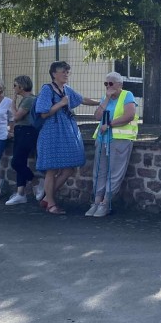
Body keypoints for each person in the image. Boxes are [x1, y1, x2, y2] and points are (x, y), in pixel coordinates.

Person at [35, 61, 101, 214]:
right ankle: (51, 204)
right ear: (54, 74)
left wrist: (103, 102)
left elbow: (83, 99)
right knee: (51, 169)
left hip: (66, 132)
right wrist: (61, 103)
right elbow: (43, 113)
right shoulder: (47, 89)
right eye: (63, 71)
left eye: (67, 71)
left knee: (69, 168)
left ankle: (47, 198)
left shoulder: (67, 89)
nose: (66, 74)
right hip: (51, 133)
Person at [85, 72, 138, 217]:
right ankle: (96, 201)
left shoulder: (127, 95)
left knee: (114, 172)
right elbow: (97, 116)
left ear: (120, 84)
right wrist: (106, 99)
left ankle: (106, 203)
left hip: (120, 138)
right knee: (99, 171)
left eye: (111, 83)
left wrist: (109, 124)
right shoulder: (105, 98)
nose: (108, 86)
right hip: (102, 138)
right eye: (106, 84)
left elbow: (129, 115)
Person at [6, 75, 42, 205]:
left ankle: (36, 182)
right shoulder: (26, 100)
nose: (14, 88)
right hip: (20, 131)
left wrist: (13, 102)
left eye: (15, 85)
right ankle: (20, 193)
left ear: (21, 87)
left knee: (16, 162)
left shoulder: (29, 100)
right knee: (21, 161)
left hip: (26, 132)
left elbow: (16, 116)